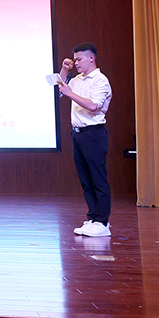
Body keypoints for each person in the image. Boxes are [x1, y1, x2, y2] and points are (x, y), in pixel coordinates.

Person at [58, 42, 113, 237]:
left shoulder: (100, 80)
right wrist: (64, 70)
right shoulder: (77, 79)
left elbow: (93, 106)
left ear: (91, 58)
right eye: (74, 60)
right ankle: (93, 218)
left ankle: (102, 222)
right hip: (78, 134)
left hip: (94, 134)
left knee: (98, 179)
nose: (76, 63)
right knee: (86, 180)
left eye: (79, 59)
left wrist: (70, 93)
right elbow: (60, 87)